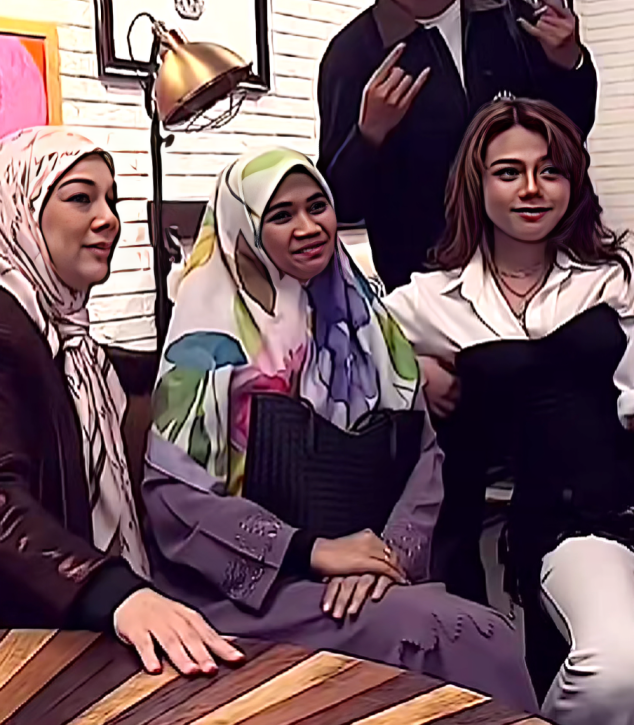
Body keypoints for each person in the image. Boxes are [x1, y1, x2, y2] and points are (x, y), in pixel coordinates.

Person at [142, 146, 537, 712]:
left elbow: (424, 455)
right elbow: (173, 498)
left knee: (475, 634)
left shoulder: (366, 321)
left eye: (317, 206)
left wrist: (384, 560)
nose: (308, 227)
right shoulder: (205, 347)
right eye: (281, 215)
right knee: (464, 636)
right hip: (256, 589)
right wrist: (313, 553)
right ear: (243, 228)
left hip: (364, 569)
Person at [385, 98, 634, 724]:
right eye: (508, 172)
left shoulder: (613, 277)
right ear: (476, 182)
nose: (531, 189)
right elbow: (347, 337)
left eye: (550, 171)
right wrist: (418, 370)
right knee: (615, 668)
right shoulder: (433, 300)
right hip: (573, 526)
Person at [0, 126, 244, 676]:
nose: (108, 218)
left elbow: (119, 367)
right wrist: (115, 593)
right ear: (19, 210)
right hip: (26, 648)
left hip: (65, 622)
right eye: (80, 198)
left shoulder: (62, 336)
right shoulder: (7, 329)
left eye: (111, 200)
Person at [317, 0, 597, 297]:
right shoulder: (354, 55)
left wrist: (570, 62)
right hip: (431, 288)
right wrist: (368, 135)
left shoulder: (510, 16)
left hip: (539, 273)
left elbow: (570, 135)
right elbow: (339, 203)